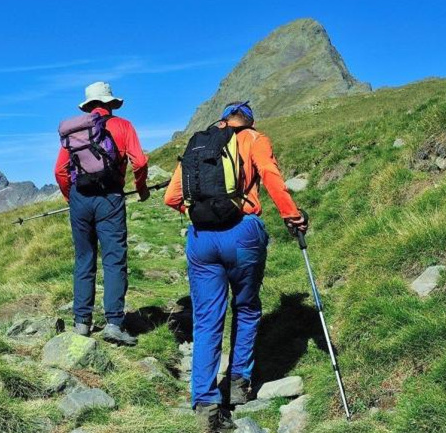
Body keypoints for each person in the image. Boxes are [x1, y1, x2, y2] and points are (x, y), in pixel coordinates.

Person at [164, 101, 307, 431]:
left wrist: (201, 214)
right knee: (246, 306)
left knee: (206, 318)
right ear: (250, 121)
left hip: (201, 238)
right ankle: (239, 385)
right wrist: (292, 216)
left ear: (224, 119)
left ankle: (204, 401)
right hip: (243, 232)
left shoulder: (200, 143)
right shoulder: (254, 139)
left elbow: (172, 197)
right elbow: (270, 176)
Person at [54, 81, 149, 346]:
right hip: (110, 197)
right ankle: (113, 324)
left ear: (89, 105)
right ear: (109, 103)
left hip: (80, 199)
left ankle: (82, 323)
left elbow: (60, 171)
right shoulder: (123, 126)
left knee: (84, 258)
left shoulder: (76, 131)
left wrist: (70, 197)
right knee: (114, 259)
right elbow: (139, 162)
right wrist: (140, 188)